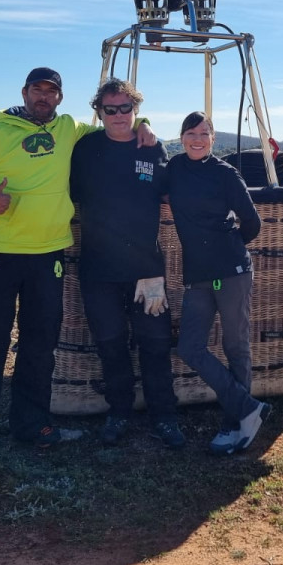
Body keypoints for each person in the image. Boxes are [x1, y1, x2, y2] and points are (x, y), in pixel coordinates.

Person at [0, 67, 155, 468]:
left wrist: (142, 122)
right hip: (1, 252)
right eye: (37, 90)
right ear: (24, 92)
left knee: (39, 346)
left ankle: (32, 423)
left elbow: (114, 126)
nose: (44, 97)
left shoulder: (70, 129)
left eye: (51, 91)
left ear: (60, 97)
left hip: (49, 255)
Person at [70, 79, 184, 449]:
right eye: (110, 109)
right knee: (111, 344)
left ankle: (164, 417)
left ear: (135, 110)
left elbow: (172, 190)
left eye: (125, 109)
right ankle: (118, 412)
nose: (118, 115)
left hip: (146, 270)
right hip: (98, 270)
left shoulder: (152, 149)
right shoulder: (85, 148)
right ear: (99, 112)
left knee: (155, 344)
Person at [168, 110, 271, 455]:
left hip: (230, 273)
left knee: (235, 345)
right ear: (181, 137)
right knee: (190, 347)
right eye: (191, 133)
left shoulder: (226, 174)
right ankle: (248, 407)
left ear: (213, 139)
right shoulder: (174, 170)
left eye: (204, 133)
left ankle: (235, 424)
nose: (197, 139)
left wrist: (227, 247)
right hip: (198, 275)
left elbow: (252, 223)